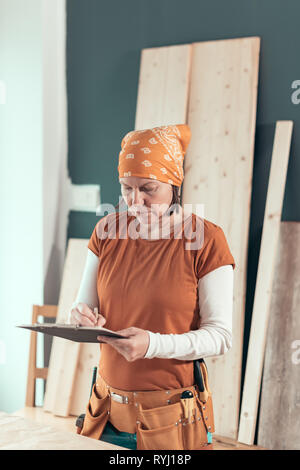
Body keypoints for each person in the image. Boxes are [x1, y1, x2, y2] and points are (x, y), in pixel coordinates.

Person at [68, 124, 236, 450]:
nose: (135, 201)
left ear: (175, 185)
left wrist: (151, 345)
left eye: (148, 188)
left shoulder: (207, 241)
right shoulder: (106, 230)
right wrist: (82, 318)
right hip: (105, 412)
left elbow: (220, 337)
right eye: (126, 189)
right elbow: (81, 307)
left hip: (170, 420)